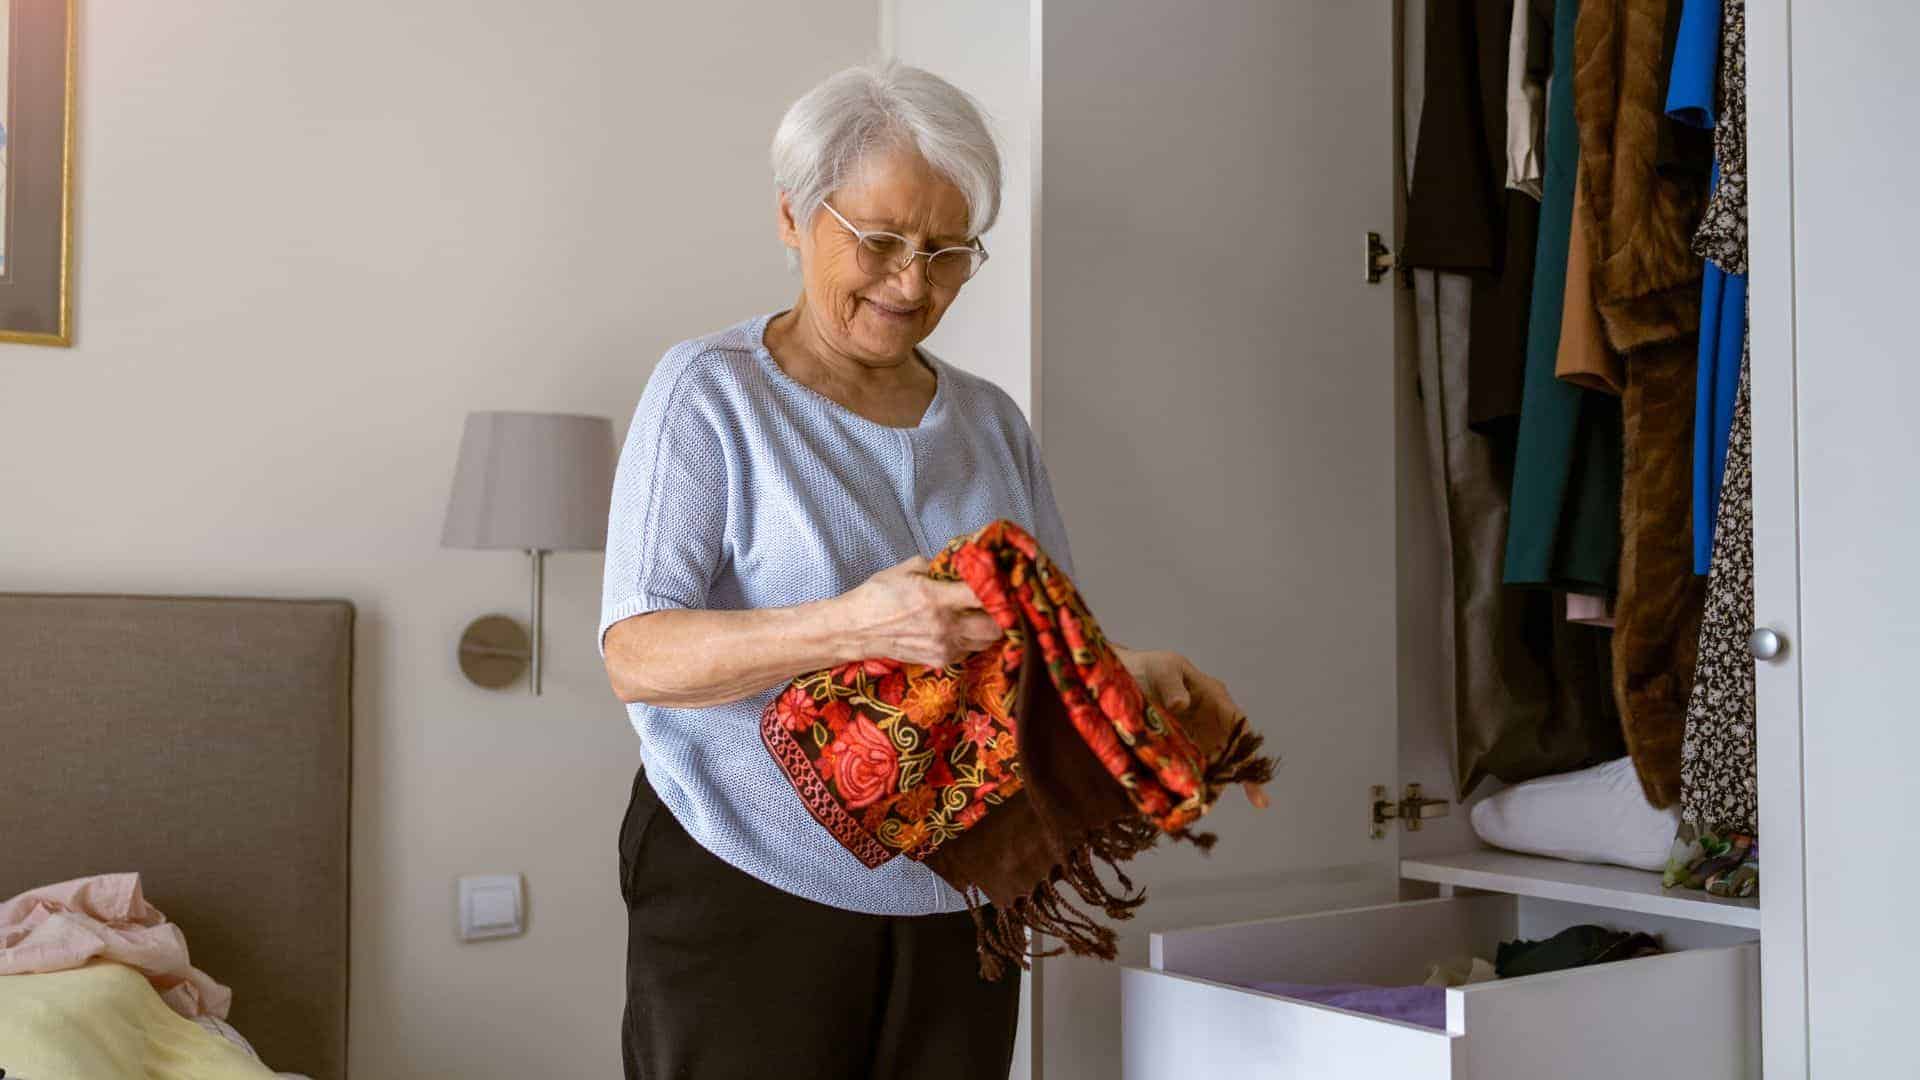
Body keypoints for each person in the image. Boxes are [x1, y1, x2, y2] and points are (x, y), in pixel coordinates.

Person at [599, 59, 1267, 1080]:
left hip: (963, 888)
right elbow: (638, 656)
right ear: (794, 217)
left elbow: (1030, 647)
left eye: (947, 253)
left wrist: (1130, 671)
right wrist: (859, 625)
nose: (912, 286)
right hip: (743, 877)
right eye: (878, 243)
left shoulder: (991, 421)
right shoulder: (709, 395)